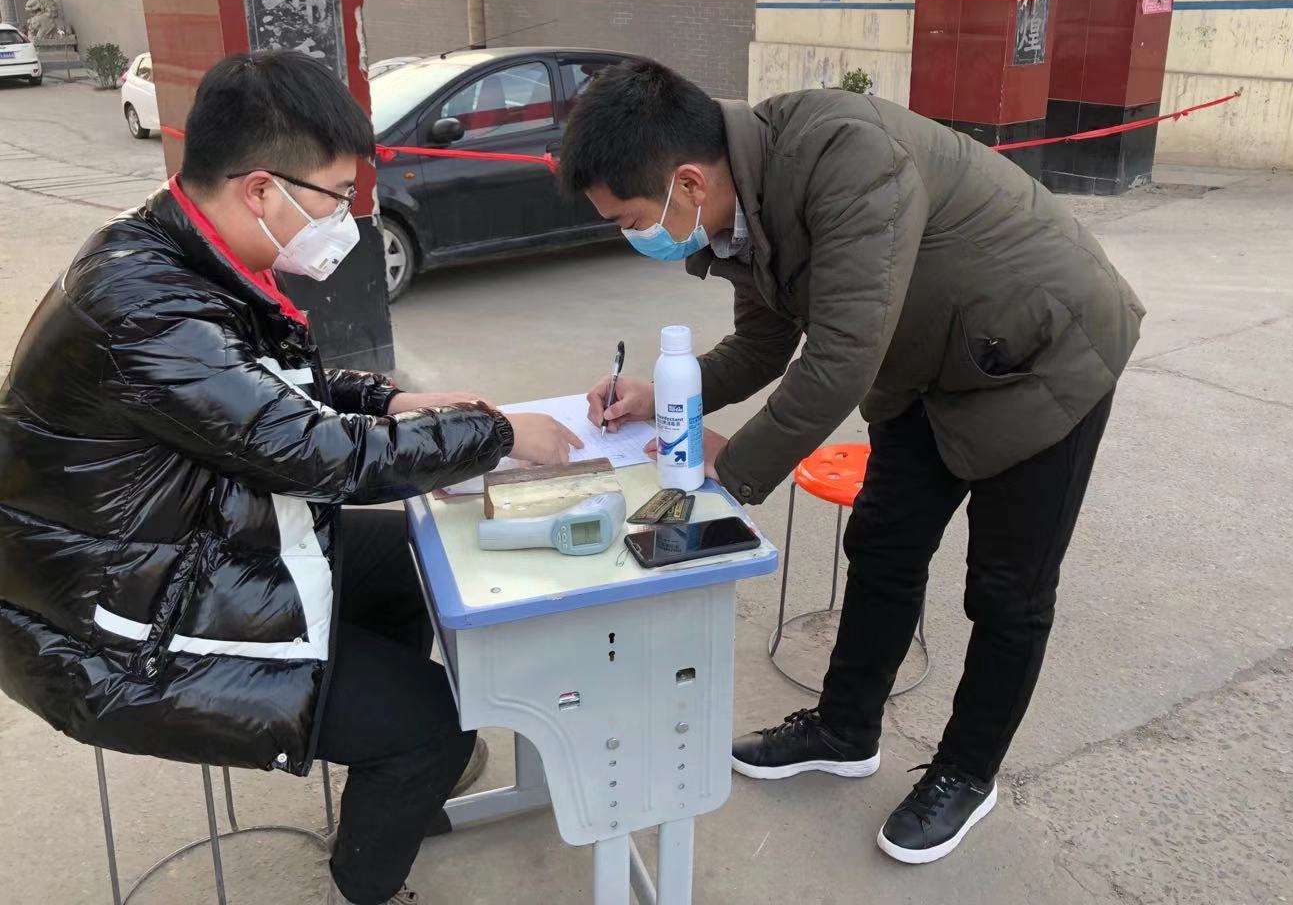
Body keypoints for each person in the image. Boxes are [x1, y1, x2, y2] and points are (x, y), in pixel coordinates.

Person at [0, 51, 580, 905]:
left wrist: (392, 400)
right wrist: (497, 434)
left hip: (181, 542)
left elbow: (263, 392)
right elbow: (320, 455)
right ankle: (371, 862)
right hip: (118, 627)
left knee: (419, 559)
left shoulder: (181, 246)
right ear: (262, 190)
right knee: (436, 722)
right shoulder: (143, 304)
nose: (346, 218)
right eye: (336, 197)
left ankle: (388, 764)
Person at [563, 59, 1144, 865]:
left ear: (687, 182)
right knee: (882, 546)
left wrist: (731, 472)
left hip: (1047, 353)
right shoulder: (744, 202)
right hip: (926, 361)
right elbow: (764, 342)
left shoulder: (846, 156)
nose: (632, 236)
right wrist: (663, 392)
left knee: (1007, 591)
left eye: (630, 218)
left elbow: (838, 358)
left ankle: (966, 773)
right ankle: (845, 729)